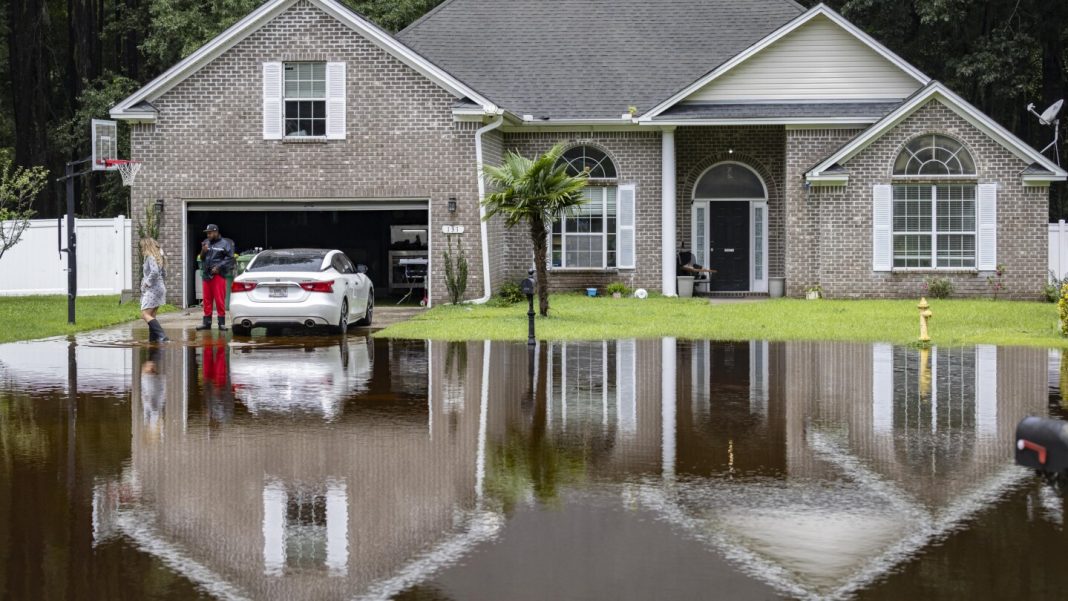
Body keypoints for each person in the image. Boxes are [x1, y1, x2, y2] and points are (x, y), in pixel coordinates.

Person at [197, 224, 236, 331]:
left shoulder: (225, 243)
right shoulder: (206, 242)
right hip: (206, 275)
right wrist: (203, 251)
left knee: (219, 300)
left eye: (210, 233)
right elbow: (201, 257)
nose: (208, 235)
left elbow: (230, 259)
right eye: (207, 233)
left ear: (216, 232)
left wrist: (219, 267)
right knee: (207, 300)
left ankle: (221, 323)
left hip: (218, 275)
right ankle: (206, 323)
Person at [139, 237, 170, 342]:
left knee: (144, 314)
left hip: (153, 289)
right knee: (152, 315)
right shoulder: (159, 257)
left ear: (147, 246)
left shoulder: (150, 257)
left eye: (142, 246)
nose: (141, 249)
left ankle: (162, 336)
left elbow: (155, 272)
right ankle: (153, 339)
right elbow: (164, 273)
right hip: (159, 287)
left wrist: (147, 284)